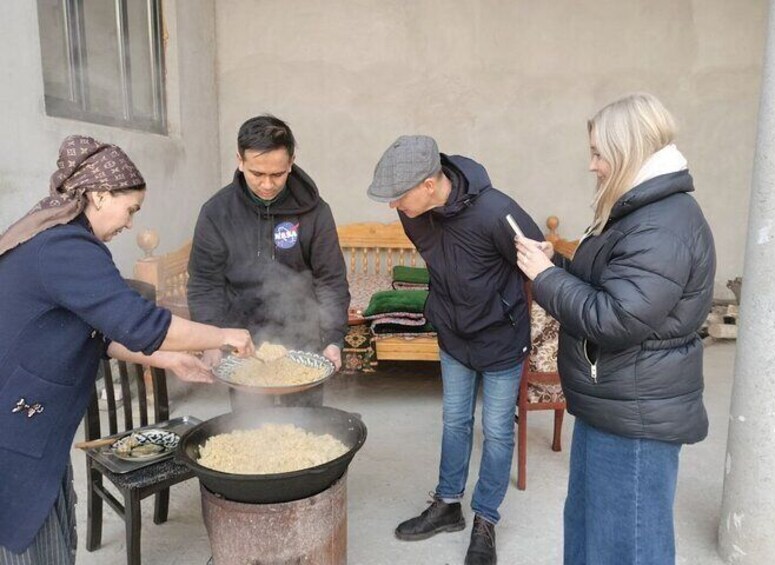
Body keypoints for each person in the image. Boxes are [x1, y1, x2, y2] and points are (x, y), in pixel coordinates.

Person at [0, 135, 254, 564]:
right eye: (131, 209)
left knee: (47, 531)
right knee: (26, 538)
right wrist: (224, 335)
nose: (130, 223)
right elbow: (140, 321)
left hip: (37, 424)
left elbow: (98, 331)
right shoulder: (63, 248)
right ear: (99, 195)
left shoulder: (61, 237)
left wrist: (169, 358)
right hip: (16, 426)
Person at [515, 93, 716, 564]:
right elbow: (613, 286)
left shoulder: (661, 225)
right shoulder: (641, 212)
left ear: (628, 151)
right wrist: (556, 263)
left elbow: (616, 318)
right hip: (613, 403)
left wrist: (544, 278)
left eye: (599, 153)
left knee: (627, 544)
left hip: (636, 415)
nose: (592, 165)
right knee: (593, 531)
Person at [367, 135, 543, 565]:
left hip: (501, 337)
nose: (393, 207)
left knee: (498, 431)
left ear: (430, 183)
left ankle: (485, 519)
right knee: (455, 422)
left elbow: (540, 256)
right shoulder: (415, 216)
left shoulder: (496, 211)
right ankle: (448, 505)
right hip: (453, 334)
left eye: (398, 196)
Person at [188, 115, 350, 409]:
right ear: (239, 160)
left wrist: (333, 338)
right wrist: (210, 337)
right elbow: (205, 282)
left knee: (305, 428)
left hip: (303, 334)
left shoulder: (315, 212)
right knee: (251, 425)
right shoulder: (217, 212)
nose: (266, 184)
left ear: (291, 162)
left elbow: (330, 279)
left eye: (277, 174)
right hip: (242, 339)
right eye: (257, 173)